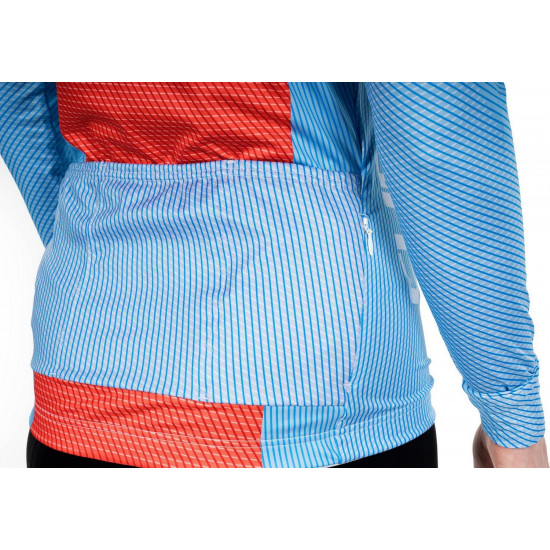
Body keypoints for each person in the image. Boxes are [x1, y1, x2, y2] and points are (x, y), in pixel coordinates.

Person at [0, 82, 547, 468]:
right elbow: (437, 123)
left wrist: (100, 241)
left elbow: (18, 93)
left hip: (83, 380)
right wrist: (512, 417)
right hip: (315, 399)